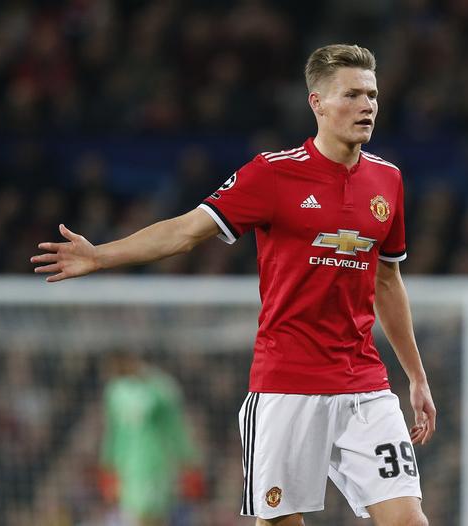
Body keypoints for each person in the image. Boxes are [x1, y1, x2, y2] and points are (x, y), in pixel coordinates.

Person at [32, 44, 436, 526]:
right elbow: (185, 231)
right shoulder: (273, 173)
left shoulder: (388, 180)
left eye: (372, 95)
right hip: (287, 385)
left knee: (409, 520)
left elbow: (387, 280)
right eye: (352, 95)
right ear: (318, 103)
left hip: (365, 384)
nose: (367, 105)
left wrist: (416, 376)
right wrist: (101, 255)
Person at [99, 351, 202, 526]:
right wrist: (109, 465)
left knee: (154, 515)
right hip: (128, 469)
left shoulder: (160, 389)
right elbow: (113, 432)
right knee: (136, 515)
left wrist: (188, 459)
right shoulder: (115, 392)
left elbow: (175, 427)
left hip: (156, 466)